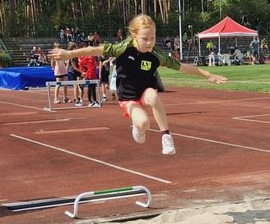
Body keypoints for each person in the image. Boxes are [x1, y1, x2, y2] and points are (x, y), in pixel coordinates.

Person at [48, 13, 228, 155]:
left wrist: (207, 75)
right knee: (144, 123)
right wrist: (69, 54)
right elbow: (93, 50)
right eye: (145, 39)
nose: (149, 43)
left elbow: (182, 66)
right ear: (134, 35)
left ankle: (166, 136)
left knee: (153, 95)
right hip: (128, 97)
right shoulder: (122, 48)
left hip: (145, 92)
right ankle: (137, 126)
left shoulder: (156, 54)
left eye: (152, 38)